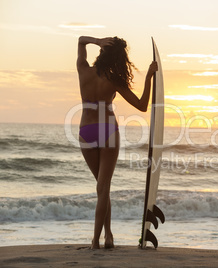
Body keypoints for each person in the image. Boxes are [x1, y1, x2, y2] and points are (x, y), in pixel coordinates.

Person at [77, 36, 157, 249]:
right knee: (103, 188)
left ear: (102, 51)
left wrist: (97, 40)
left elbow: (80, 41)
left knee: (102, 188)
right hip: (108, 130)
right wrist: (148, 77)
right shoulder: (114, 80)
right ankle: (96, 240)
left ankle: (108, 236)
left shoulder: (83, 70)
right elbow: (142, 105)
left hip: (86, 131)